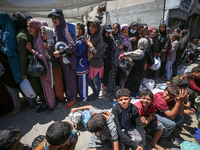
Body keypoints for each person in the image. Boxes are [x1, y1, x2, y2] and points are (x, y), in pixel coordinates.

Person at [12, 12, 48, 113]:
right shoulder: (30, 33)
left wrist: (23, 72)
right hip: (36, 63)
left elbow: (23, 57)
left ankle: (45, 102)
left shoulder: (20, 36)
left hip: (30, 66)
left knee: (36, 86)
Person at [48, 9, 77, 108]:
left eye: (56, 18)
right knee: (65, 79)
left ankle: (73, 98)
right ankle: (69, 96)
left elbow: (73, 45)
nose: (54, 20)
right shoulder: (56, 29)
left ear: (61, 18)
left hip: (68, 60)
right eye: (52, 18)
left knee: (70, 79)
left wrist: (60, 52)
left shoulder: (65, 29)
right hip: (61, 60)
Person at [26, 19, 55, 114]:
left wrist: (32, 51)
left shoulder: (39, 40)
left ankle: (51, 105)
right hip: (42, 67)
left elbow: (43, 56)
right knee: (45, 87)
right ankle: (48, 103)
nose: (29, 29)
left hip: (44, 68)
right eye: (28, 26)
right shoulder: (36, 38)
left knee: (47, 87)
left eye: (31, 26)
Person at [0, 11, 22, 117]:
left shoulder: (7, 34)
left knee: (12, 85)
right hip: (11, 63)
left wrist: (1, 47)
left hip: (12, 63)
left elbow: (10, 51)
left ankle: (17, 107)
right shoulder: (6, 30)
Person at [40, 26, 65, 109]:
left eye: (44, 33)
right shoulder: (49, 42)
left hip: (55, 68)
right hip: (54, 68)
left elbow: (50, 59)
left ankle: (61, 100)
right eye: (41, 33)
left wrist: (45, 50)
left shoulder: (50, 45)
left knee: (58, 85)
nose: (42, 35)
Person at [82, 17, 104, 99]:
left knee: (96, 80)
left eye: (94, 26)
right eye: (90, 26)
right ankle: (95, 92)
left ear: (97, 27)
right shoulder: (90, 36)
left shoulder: (99, 38)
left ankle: (96, 95)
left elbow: (98, 53)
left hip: (97, 64)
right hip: (91, 63)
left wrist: (90, 44)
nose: (91, 28)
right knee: (90, 81)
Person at [105, 23, 122, 97]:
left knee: (112, 75)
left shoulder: (118, 37)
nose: (114, 30)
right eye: (113, 28)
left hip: (114, 59)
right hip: (108, 58)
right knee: (107, 75)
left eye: (116, 28)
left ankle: (110, 90)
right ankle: (107, 88)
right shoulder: (109, 36)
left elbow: (115, 47)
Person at [75, 22, 89, 105]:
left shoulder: (82, 40)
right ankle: (82, 96)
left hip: (82, 65)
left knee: (83, 82)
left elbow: (78, 52)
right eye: (77, 29)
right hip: (79, 65)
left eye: (80, 29)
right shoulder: (78, 39)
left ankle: (84, 98)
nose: (78, 30)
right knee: (80, 82)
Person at [101, 23, 113, 92]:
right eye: (107, 32)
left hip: (107, 59)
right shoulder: (100, 39)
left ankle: (105, 86)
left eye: (109, 32)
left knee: (106, 73)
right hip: (101, 59)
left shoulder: (110, 39)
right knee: (101, 73)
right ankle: (102, 85)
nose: (108, 34)